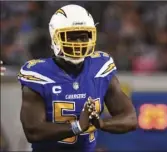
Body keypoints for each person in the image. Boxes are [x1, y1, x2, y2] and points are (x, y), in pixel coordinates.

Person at [18, 4, 137, 152]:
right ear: (55, 37)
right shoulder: (38, 74)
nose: (78, 44)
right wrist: (78, 126)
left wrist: (101, 124)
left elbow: (131, 118)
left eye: (83, 36)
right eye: (71, 37)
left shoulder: (100, 68)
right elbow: (33, 131)